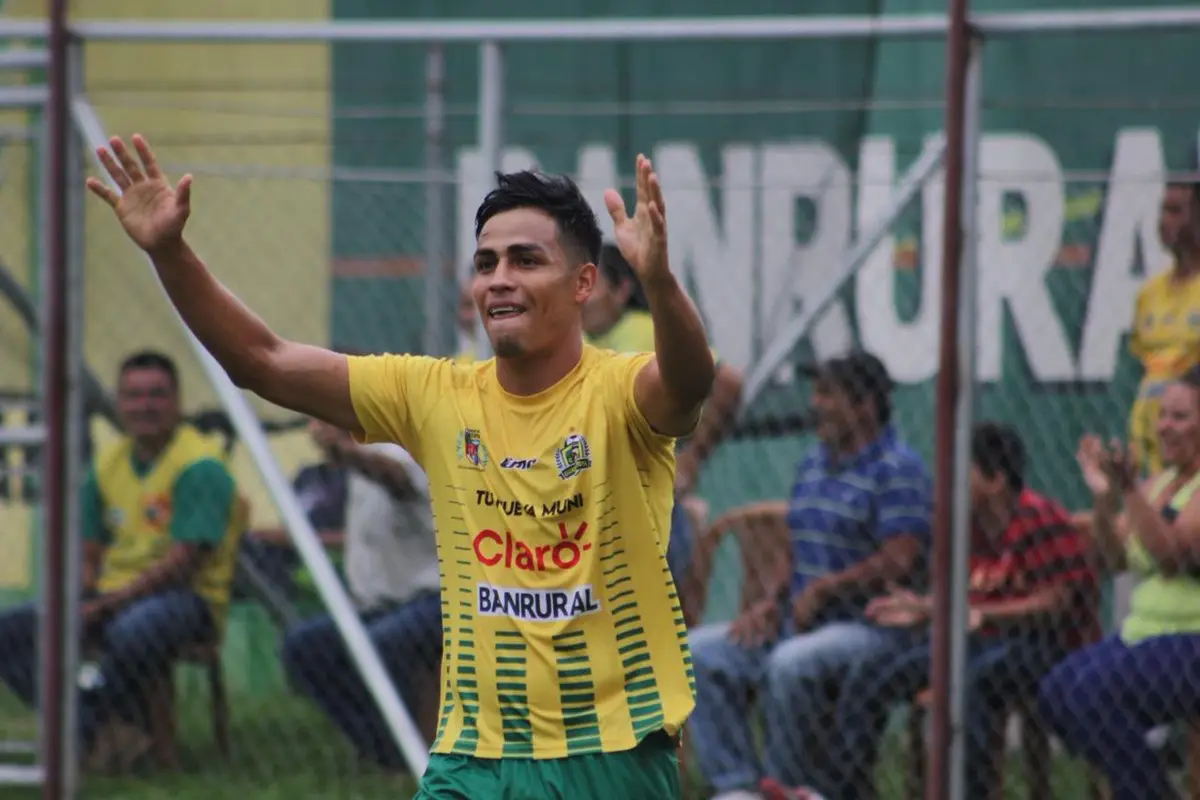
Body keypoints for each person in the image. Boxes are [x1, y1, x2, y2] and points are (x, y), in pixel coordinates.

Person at [87, 135, 714, 798]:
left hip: (609, 750)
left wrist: (662, 284)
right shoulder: (436, 394)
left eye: (527, 260)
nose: (500, 277)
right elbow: (261, 361)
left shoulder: (620, 392)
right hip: (473, 755)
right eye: (486, 262)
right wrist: (169, 252)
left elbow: (689, 380)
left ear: (585, 282)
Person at [801, 422, 1096, 800]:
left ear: (996, 480)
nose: (946, 483)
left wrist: (988, 616)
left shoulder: (1038, 517)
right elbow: (962, 603)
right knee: (873, 671)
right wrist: (925, 608)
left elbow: (1057, 602)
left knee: (971, 681)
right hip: (977, 640)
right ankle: (844, 792)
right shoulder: (963, 526)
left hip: (1043, 645)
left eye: (960, 471)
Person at [685, 351, 931, 800]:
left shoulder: (899, 469)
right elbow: (796, 543)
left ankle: (789, 788)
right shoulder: (814, 463)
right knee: (701, 653)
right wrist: (770, 602)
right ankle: (738, 786)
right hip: (797, 620)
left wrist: (826, 589)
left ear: (864, 406)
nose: (815, 403)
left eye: (827, 394)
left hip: (870, 626)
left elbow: (900, 559)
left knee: (790, 664)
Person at [0, 350, 244, 770]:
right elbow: (89, 546)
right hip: (112, 595)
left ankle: (102, 730)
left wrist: (105, 606)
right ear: (118, 403)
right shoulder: (108, 461)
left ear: (178, 402)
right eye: (132, 396)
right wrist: (83, 593)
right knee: (12, 629)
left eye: (156, 395)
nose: (144, 406)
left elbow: (184, 563)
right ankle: (92, 728)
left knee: (135, 630)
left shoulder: (200, 464)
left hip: (186, 600)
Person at [1037, 367, 1200, 800]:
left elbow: (1171, 557)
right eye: (1162, 415)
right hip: (1143, 636)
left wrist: (1129, 490)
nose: (1164, 427)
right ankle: (1153, 780)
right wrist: (1105, 498)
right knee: (1057, 692)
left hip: (1192, 641)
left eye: (1180, 417)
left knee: (1093, 693)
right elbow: (1112, 560)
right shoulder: (1161, 482)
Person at [581, 242, 743, 596]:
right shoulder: (574, 342)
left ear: (622, 290)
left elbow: (728, 381)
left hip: (646, 513)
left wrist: (691, 460)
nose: (580, 297)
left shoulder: (643, 331)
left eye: (593, 287)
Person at [281, 419, 441, 771]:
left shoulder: (403, 444)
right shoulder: (351, 461)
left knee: (381, 644)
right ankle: (390, 751)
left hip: (439, 600)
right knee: (304, 647)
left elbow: (397, 478)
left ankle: (427, 749)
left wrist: (345, 452)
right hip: (377, 606)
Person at [1128, 180, 1200, 475]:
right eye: (1162, 211)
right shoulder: (1149, 293)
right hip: (1153, 443)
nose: (1163, 221)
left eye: (1175, 211)